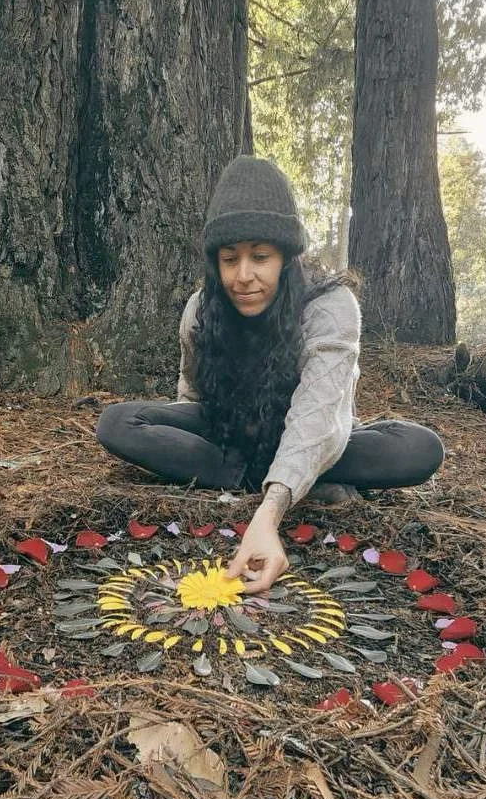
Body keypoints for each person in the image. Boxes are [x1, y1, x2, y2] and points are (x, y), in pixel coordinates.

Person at [96, 157, 444, 593]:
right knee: (117, 423)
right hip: (229, 436)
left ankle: (285, 478)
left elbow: (319, 415)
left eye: (260, 257)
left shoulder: (330, 307)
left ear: (287, 257)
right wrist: (182, 447)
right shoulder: (199, 310)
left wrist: (269, 514)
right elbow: (191, 396)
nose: (244, 276)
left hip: (312, 435)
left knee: (420, 448)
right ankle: (282, 480)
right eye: (229, 259)